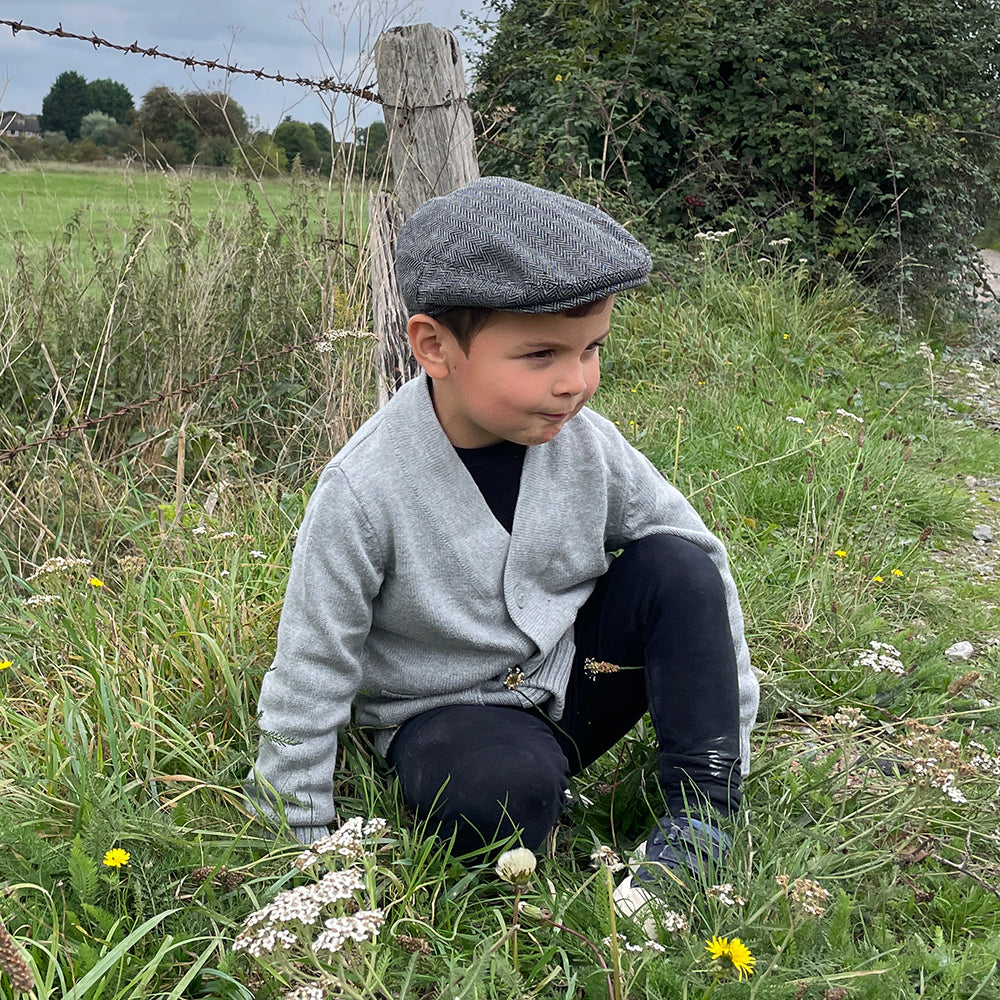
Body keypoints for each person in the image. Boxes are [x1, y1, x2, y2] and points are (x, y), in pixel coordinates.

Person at [248, 177, 759, 896]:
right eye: (541, 355)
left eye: (592, 349)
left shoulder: (588, 444)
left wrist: (730, 734)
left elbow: (701, 572)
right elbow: (312, 664)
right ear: (433, 346)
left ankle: (702, 813)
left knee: (676, 562)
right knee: (496, 799)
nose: (575, 383)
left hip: (579, 681)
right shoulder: (365, 490)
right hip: (445, 716)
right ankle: (535, 795)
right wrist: (296, 839)